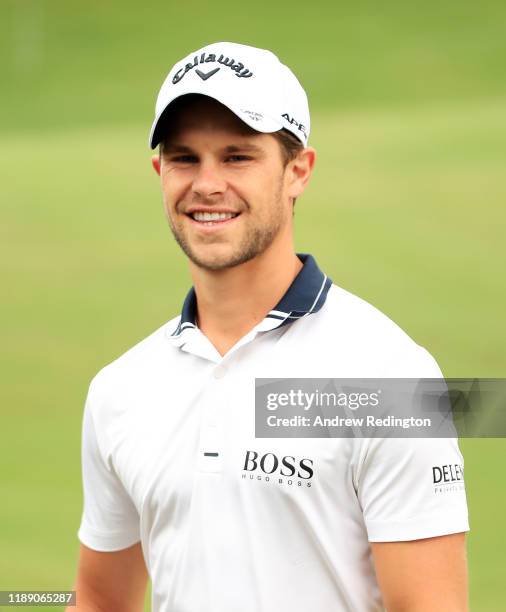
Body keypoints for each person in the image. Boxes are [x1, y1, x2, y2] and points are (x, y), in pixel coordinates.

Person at [69, 42, 469, 611]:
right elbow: (99, 599)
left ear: (298, 171)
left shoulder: (391, 376)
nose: (207, 185)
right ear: (160, 171)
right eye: (186, 158)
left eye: (237, 157)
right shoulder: (119, 390)